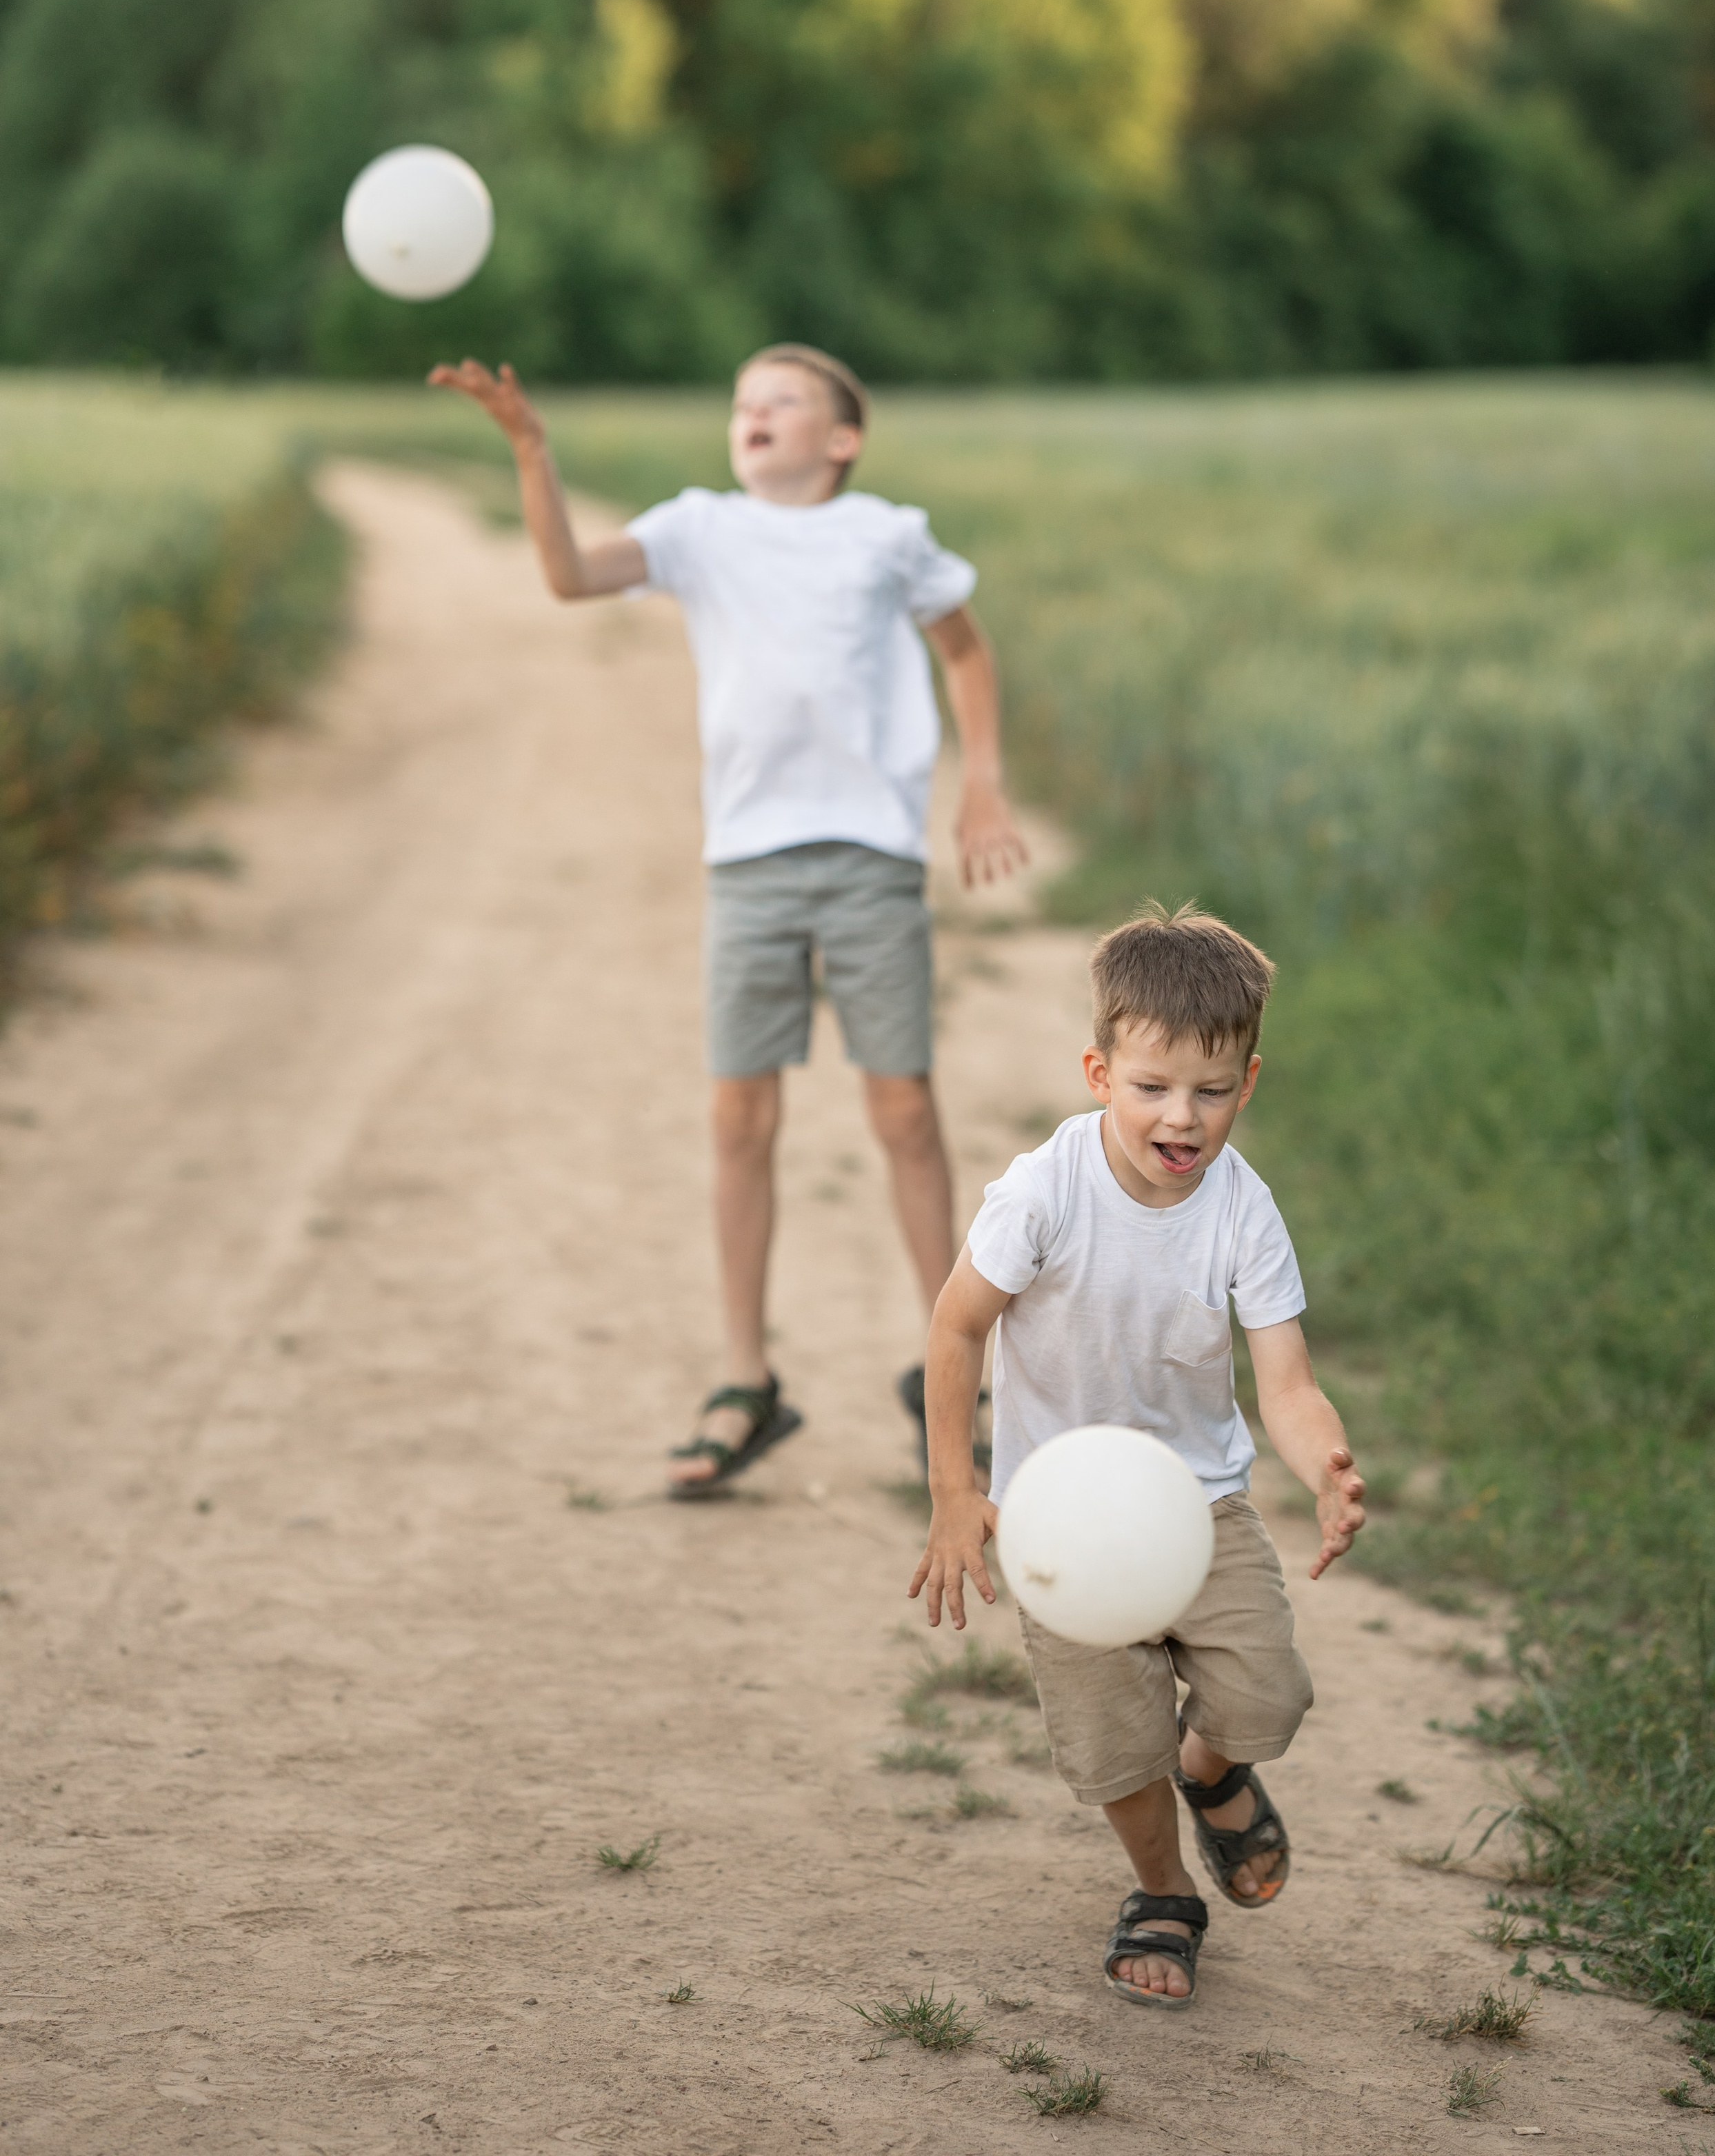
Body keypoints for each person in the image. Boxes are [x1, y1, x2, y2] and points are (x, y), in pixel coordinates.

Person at [429, 343, 1026, 1495]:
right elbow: (569, 575)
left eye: (782, 400)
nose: (752, 413)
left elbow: (966, 650)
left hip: (870, 859)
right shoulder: (703, 529)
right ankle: (747, 1379)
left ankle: (950, 1370)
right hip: (750, 864)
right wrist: (531, 448)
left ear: (841, 438)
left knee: (903, 1111)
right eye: (743, 401)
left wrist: (984, 782)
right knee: (739, 1118)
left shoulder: (888, 534)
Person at [908, 905, 1367, 2009]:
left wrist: (1325, 1466)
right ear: (1099, 1068)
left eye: (1211, 1093)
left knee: (1269, 1699)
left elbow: (1286, 1383)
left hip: (1199, 1505)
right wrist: (955, 1493)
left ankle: (1212, 1771)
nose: (1182, 1116)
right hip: (1061, 1520)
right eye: (1152, 1086)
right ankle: (1163, 1893)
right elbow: (957, 1325)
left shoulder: (1245, 1215)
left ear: (1247, 1083)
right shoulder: (1046, 1191)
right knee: (1114, 1751)